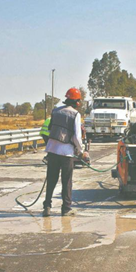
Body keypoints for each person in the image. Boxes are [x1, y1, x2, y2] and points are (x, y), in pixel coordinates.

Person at [43, 87, 83, 217]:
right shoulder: (75, 115)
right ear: (76, 102)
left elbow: (50, 129)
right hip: (66, 153)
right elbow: (77, 136)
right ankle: (66, 209)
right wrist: (80, 150)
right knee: (66, 181)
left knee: (51, 179)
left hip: (52, 150)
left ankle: (47, 207)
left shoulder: (55, 111)